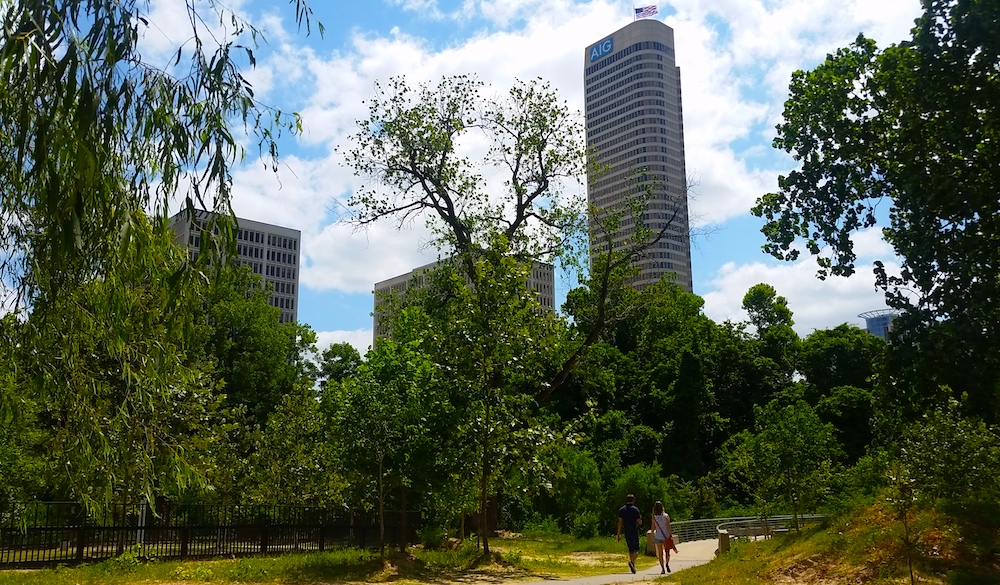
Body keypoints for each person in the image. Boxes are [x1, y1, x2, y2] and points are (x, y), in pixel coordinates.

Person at [616, 494, 642, 573]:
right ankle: (631, 562)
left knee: (630, 549)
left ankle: (633, 565)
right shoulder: (635, 509)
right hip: (633, 530)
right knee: (637, 549)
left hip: (626, 531)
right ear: (633, 500)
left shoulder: (622, 509)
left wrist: (618, 533)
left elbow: (620, 522)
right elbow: (639, 522)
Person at [650, 500, 677, 574]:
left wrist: (652, 538)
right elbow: (668, 527)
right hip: (666, 536)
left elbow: (652, 529)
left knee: (660, 553)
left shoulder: (654, 517)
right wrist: (670, 535)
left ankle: (662, 569)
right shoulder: (666, 516)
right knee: (667, 552)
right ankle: (667, 564)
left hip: (658, 536)